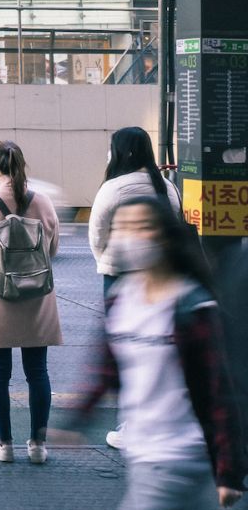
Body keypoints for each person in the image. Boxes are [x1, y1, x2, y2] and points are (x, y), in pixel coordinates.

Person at [62, 197, 245, 510]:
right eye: (122, 227)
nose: (130, 236)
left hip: (182, 456)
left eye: (141, 226)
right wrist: (77, 419)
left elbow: (218, 393)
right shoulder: (121, 298)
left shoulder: (191, 306)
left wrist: (229, 469)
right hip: (142, 452)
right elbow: (107, 368)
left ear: (164, 236)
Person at [0, 140, 61, 464]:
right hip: (37, 297)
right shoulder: (44, 202)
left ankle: (4, 445)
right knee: (38, 371)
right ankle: (38, 445)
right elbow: (53, 248)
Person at [87, 126, 180, 451]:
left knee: (124, 350)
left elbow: (96, 235)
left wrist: (110, 260)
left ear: (118, 151)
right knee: (159, 349)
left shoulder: (112, 189)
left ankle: (130, 424)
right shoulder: (166, 187)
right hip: (160, 277)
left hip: (119, 277)